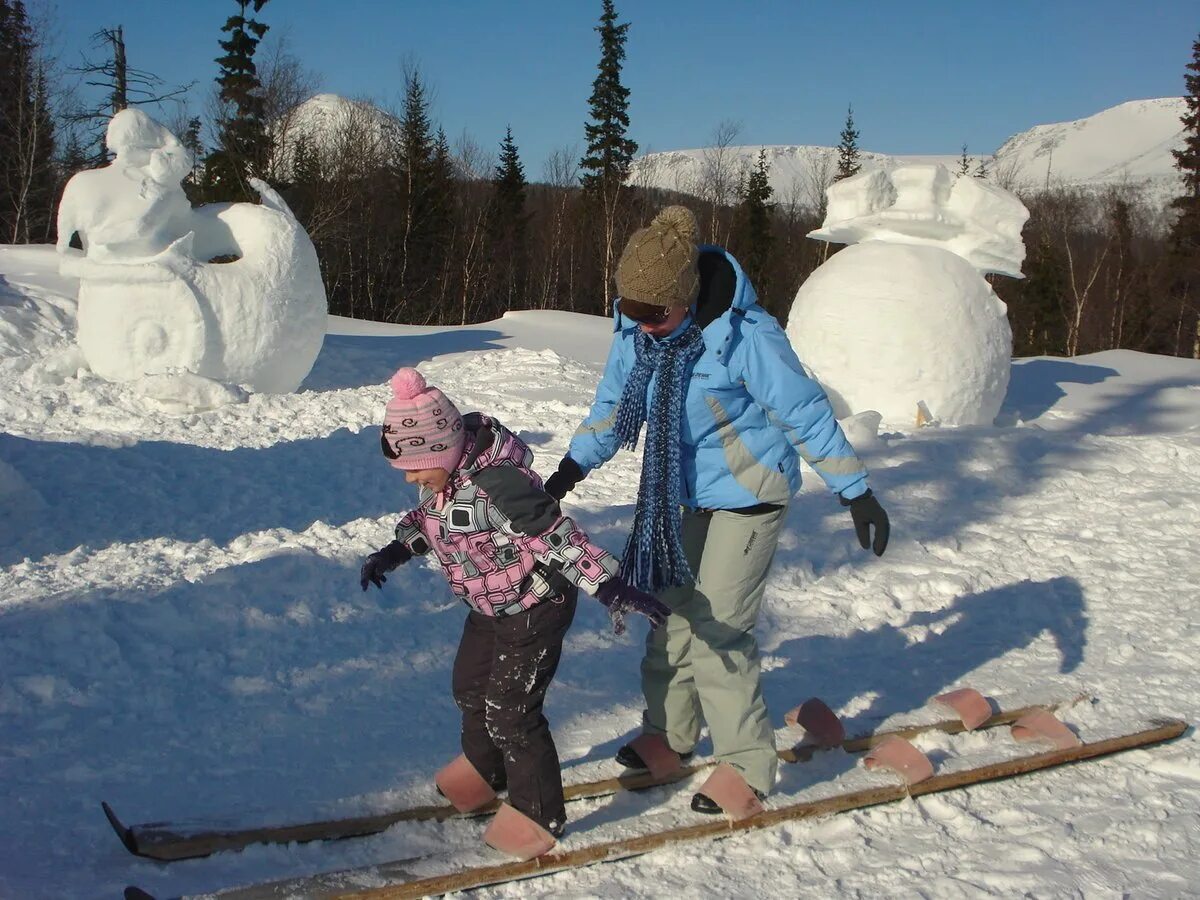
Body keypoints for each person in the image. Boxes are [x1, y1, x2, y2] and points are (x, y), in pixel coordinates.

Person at [543, 205, 890, 814]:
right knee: (670, 613)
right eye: (631, 310)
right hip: (683, 493)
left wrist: (853, 489)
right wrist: (569, 470)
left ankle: (748, 766)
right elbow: (610, 405)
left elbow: (803, 411)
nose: (642, 325)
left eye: (654, 313)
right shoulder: (638, 333)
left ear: (685, 297)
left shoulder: (744, 337)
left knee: (718, 630)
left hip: (750, 496)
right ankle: (670, 734)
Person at [359, 367, 669, 856]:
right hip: (490, 603)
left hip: (535, 604)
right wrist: (395, 552)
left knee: (511, 711)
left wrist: (609, 586)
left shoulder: (499, 486)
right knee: (469, 687)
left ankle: (538, 812)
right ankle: (488, 770)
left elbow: (556, 536)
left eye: (417, 467)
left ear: (442, 449)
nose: (413, 478)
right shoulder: (444, 476)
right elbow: (430, 521)